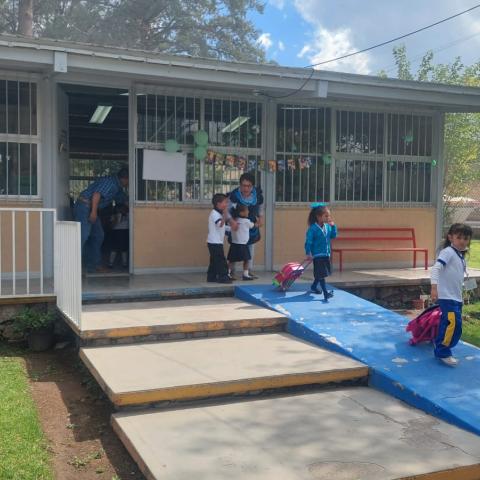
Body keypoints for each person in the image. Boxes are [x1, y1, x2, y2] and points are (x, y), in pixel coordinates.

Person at [430, 223, 473, 367]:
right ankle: (443, 352)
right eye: (458, 237)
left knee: (453, 326)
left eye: (465, 238)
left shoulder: (459, 256)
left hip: (456, 298)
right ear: (451, 237)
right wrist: (434, 288)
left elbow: (456, 277)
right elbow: (436, 269)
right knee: (452, 325)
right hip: (447, 297)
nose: (462, 241)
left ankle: (440, 344)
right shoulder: (448, 252)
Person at [74, 167, 129, 273]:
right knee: (83, 236)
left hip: (91, 208)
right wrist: (94, 212)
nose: (129, 184)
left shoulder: (117, 187)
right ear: (125, 179)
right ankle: (72, 267)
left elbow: (123, 200)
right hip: (85, 206)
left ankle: (94, 265)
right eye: (129, 181)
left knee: (98, 235)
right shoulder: (110, 182)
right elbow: (96, 194)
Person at [228, 172, 264, 279]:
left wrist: (261, 218)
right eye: (243, 185)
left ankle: (248, 271)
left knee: (250, 248)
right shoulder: (234, 195)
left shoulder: (257, 195)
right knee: (235, 247)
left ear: (252, 186)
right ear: (240, 185)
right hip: (237, 225)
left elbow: (260, 207)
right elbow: (228, 210)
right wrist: (231, 221)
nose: (246, 188)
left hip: (250, 224)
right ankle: (231, 271)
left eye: (248, 186)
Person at [305, 203, 337, 301]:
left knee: (320, 273)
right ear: (318, 217)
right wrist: (308, 253)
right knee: (322, 274)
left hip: (326, 254)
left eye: (329, 216)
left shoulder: (327, 227)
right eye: (326, 216)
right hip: (317, 255)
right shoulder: (312, 229)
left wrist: (333, 227)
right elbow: (308, 242)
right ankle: (325, 293)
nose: (328, 217)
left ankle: (314, 286)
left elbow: (333, 236)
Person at [227, 204, 257, 281]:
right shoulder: (247, 221)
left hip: (234, 244)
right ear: (241, 213)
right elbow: (254, 226)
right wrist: (259, 222)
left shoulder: (234, 220)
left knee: (231, 260)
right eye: (247, 210)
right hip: (243, 245)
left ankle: (227, 274)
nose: (248, 212)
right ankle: (245, 274)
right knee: (246, 260)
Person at [207, 193, 231, 284]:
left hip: (215, 242)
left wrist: (231, 229)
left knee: (214, 260)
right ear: (218, 204)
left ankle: (211, 277)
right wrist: (225, 214)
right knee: (221, 260)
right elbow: (220, 224)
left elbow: (222, 227)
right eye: (225, 202)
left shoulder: (218, 214)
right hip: (214, 242)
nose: (226, 205)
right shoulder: (215, 214)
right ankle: (223, 277)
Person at [108, 203, 129, 269]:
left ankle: (124, 263)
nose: (121, 210)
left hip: (124, 232)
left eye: (123, 208)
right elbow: (111, 226)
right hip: (116, 232)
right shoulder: (114, 216)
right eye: (119, 209)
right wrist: (117, 219)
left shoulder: (128, 215)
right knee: (114, 248)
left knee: (124, 249)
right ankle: (110, 263)